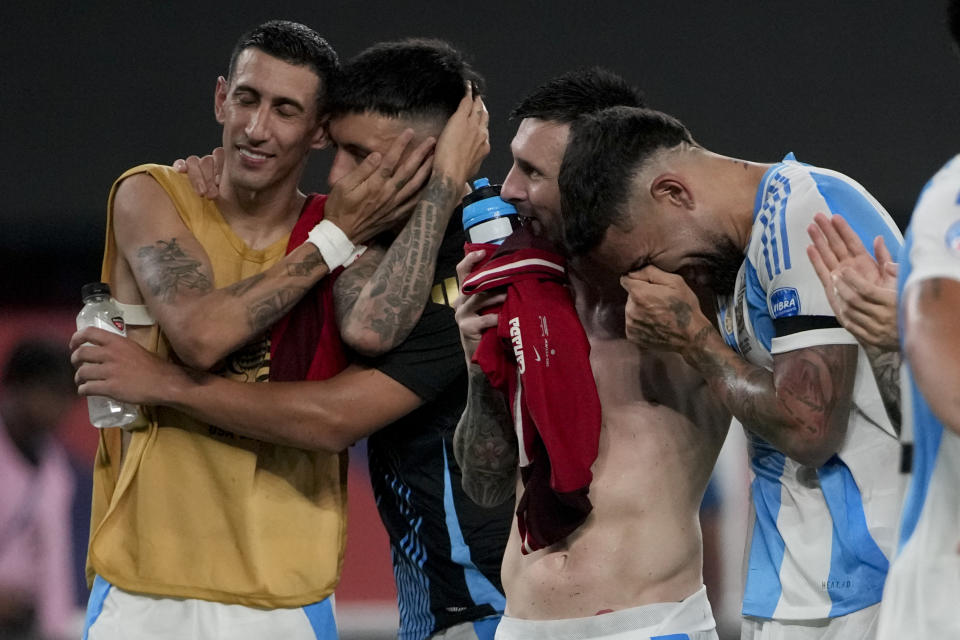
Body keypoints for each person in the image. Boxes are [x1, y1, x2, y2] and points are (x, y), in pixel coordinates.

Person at [73, 38, 507, 640]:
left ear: (317, 130)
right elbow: (200, 334)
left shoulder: (373, 236)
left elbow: (364, 336)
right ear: (221, 99)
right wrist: (337, 234)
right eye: (247, 99)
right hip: (143, 585)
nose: (257, 128)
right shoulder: (157, 193)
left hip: (290, 593)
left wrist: (163, 384)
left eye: (286, 110)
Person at [556, 106, 906, 638]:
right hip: (795, 577)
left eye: (650, 257)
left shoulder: (801, 211)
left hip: (875, 577)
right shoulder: (740, 255)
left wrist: (693, 339)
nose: (662, 277)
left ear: (674, 193)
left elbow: (810, 428)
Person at [453, 68, 729, 639]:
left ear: (593, 177)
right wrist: (482, 366)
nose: (508, 189)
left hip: (649, 625)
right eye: (513, 163)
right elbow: (485, 487)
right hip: (523, 625)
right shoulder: (521, 300)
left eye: (532, 171)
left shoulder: (697, 296)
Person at [0, 339, 79, 640]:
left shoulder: (56, 472)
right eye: (52, 393)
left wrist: (56, 631)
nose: (60, 409)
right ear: (16, 385)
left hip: (21, 624)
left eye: (67, 398)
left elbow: (55, 560)